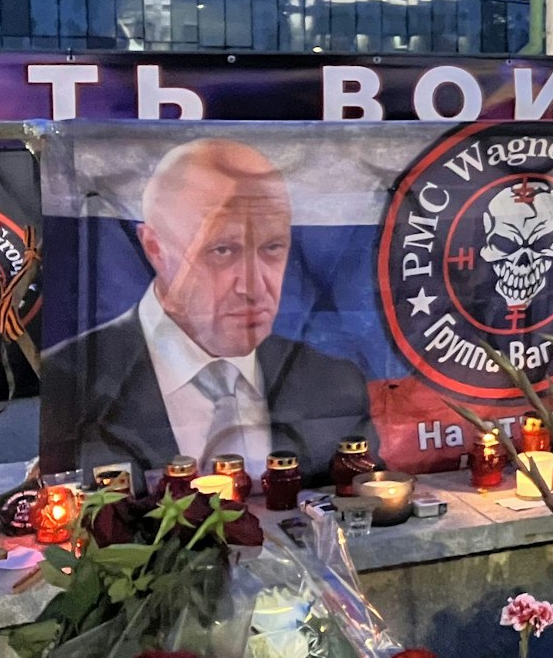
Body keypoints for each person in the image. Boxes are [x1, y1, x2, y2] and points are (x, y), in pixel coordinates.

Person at [40, 139, 373, 482]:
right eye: (223, 250)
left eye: (273, 247)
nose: (253, 286)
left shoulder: (335, 386)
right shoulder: (72, 380)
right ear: (155, 249)